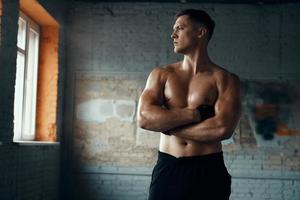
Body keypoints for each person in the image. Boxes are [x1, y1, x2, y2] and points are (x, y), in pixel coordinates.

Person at [137, 9, 241, 200]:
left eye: (180, 28)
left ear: (200, 32)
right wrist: (197, 114)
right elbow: (144, 118)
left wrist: (168, 125)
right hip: (168, 168)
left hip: (208, 169)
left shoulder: (225, 79)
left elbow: (222, 129)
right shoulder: (161, 74)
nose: (173, 34)